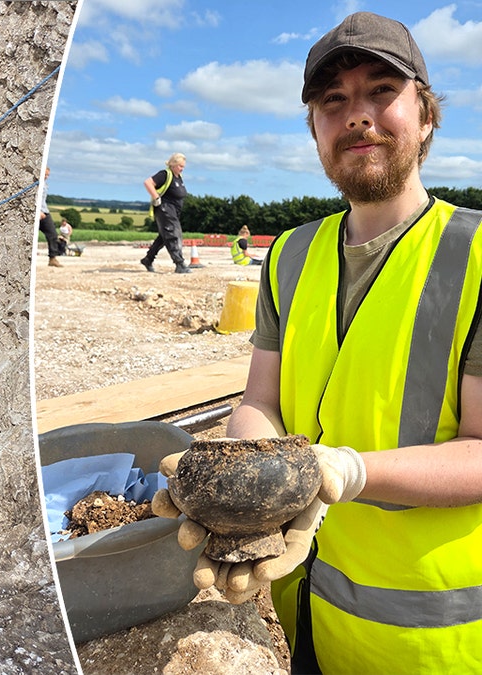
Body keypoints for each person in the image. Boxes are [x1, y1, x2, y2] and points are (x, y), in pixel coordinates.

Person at [153, 12, 482, 674]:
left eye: (381, 91)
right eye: (333, 101)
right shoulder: (290, 256)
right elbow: (261, 403)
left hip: (436, 639)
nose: (356, 115)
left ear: (425, 114)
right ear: (314, 129)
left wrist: (347, 471)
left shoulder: (474, 253)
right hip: (313, 611)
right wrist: (236, 472)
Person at [140, 153, 189, 274]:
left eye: (183, 166)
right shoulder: (165, 174)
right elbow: (148, 182)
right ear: (173, 164)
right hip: (165, 209)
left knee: (163, 237)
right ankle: (179, 264)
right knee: (173, 234)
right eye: (180, 166)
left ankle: (148, 259)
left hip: (174, 210)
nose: (182, 168)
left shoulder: (178, 176)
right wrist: (156, 197)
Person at [38, 166, 64, 267]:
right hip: (38, 212)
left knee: (52, 233)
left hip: (45, 211)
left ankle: (52, 258)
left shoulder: (45, 184)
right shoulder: (36, 183)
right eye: (45, 174)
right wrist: (38, 211)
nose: (46, 177)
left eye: (48, 175)